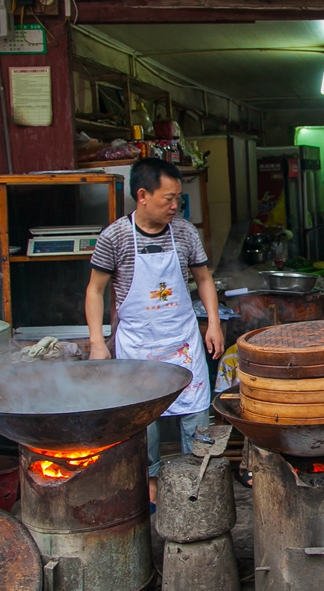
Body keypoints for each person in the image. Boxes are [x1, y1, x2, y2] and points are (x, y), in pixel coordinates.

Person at [86, 157, 224, 502]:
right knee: (143, 424)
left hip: (183, 342)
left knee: (196, 416)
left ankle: (200, 485)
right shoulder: (115, 236)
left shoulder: (184, 231)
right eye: (169, 199)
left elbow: (204, 278)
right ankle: (149, 485)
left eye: (178, 198)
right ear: (143, 195)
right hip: (138, 347)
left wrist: (214, 324)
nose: (175, 206)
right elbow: (95, 290)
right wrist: (97, 342)